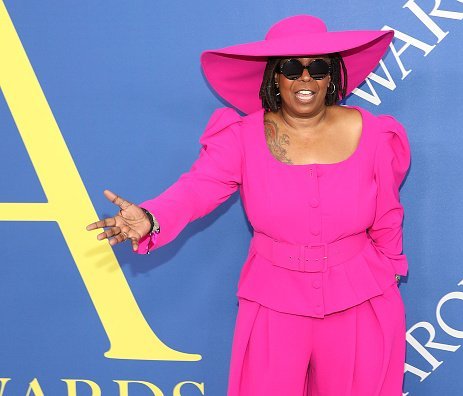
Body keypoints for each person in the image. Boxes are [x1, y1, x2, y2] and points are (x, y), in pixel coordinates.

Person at [86, 14, 410, 396]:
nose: (305, 79)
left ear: (332, 76)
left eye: (318, 67)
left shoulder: (376, 134)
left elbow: (388, 215)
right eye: (292, 68)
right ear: (275, 76)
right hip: (275, 300)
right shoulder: (241, 138)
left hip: (360, 299)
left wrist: (386, 277)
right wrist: (153, 217)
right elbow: (197, 189)